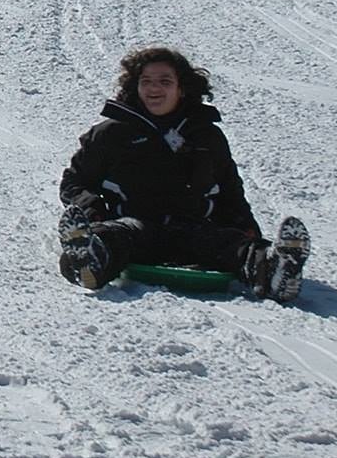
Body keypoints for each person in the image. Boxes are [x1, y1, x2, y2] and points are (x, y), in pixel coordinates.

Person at [59, 46, 310, 301]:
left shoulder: (205, 135)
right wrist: (92, 210)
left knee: (232, 244)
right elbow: (74, 182)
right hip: (137, 227)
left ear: (181, 89)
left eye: (164, 81)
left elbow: (229, 190)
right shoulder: (112, 133)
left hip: (193, 229)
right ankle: (88, 259)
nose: (154, 88)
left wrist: (246, 230)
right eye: (146, 81)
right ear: (135, 87)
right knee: (113, 238)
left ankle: (275, 270)